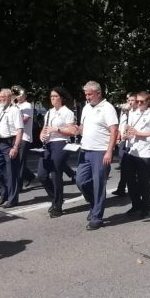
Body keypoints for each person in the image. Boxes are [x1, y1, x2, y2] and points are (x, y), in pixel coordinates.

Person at [71, 81, 118, 230]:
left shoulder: (107, 108)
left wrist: (109, 151)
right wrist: (77, 130)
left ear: (98, 93)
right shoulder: (86, 108)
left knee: (99, 185)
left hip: (100, 151)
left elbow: (114, 131)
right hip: (85, 150)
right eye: (86, 94)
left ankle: (97, 217)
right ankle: (94, 204)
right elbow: (83, 128)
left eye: (89, 94)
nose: (87, 97)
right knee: (80, 181)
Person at [36, 87, 76, 217]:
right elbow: (44, 129)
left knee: (55, 173)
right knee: (41, 175)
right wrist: (41, 135)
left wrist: (57, 129)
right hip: (48, 144)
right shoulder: (49, 112)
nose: (52, 98)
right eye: (51, 96)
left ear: (61, 98)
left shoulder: (67, 112)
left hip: (61, 143)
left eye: (55, 96)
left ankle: (57, 206)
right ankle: (55, 197)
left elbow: (72, 131)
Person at [122, 91, 150, 218]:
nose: (138, 104)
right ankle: (136, 204)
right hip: (132, 150)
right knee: (130, 180)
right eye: (137, 101)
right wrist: (127, 133)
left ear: (148, 102)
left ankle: (145, 207)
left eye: (141, 102)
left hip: (145, 152)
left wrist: (138, 133)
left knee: (144, 182)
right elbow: (131, 130)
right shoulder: (133, 112)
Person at [0, 88, 24, 208]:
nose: (1, 99)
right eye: (0, 96)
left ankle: (12, 199)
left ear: (10, 98)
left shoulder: (15, 110)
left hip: (10, 142)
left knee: (12, 173)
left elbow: (20, 129)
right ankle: (5, 191)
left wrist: (15, 147)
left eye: (4, 97)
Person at [112, 93, 136, 196]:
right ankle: (121, 187)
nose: (129, 102)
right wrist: (118, 138)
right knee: (123, 164)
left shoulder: (135, 113)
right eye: (128, 99)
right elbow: (120, 126)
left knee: (128, 166)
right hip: (123, 140)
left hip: (131, 142)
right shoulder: (124, 111)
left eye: (131, 100)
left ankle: (125, 187)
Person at [13, 86, 36, 190]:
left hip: (25, 136)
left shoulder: (28, 105)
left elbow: (24, 120)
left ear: (25, 96)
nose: (18, 96)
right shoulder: (14, 105)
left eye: (21, 94)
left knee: (21, 162)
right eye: (17, 94)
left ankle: (19, 185)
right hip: (15, 136)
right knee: (15, 161)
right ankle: (30, 176)